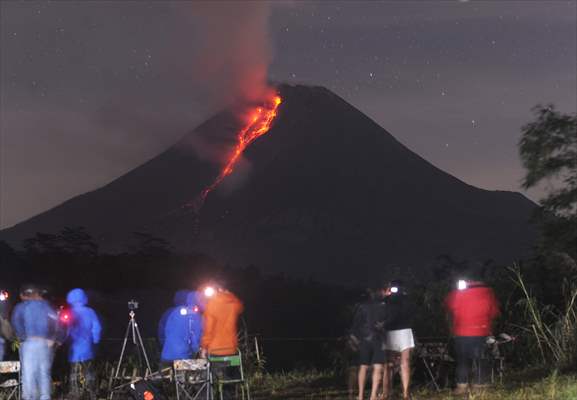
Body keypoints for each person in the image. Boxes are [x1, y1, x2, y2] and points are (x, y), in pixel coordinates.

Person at [445, 278, 500, 395]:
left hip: (462, 332)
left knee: (462, 360)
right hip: (481, 331)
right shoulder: (488, 292)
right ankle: (480, 386)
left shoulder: (458, 293)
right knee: (481, 359)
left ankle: (462, 386)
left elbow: (449, 306)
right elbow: (494, 312)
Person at [11, 284, 60, 400]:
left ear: (25, 295)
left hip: (29, 343)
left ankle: (29, 397)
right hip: (44, 344)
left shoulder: (21, 307)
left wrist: (22, 336)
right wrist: (52, 338)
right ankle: (45, 397)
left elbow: (15, 321)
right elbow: (56, 320)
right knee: (44, 372)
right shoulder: (45, 306)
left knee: (28, 372)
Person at [200, 283, 243, 400]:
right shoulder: (233, 302)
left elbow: (208, 329)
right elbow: (240, 307)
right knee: (228, 381)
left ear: (217, 289)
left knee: (207, 379)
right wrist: (230, 295)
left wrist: (204, 347)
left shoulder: (212, 303)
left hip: (216, 351)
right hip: (232, 350)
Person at [349, 289, 387, 400]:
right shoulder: (384, 307)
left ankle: (360, 395)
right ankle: (373, 395)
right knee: (378, 367)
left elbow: (355, 325)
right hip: (378, 339)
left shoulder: (362, 306)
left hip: (364, 339)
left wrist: (354, 339)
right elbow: (387, 324)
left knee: (363, 367)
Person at [65, 288, 102, 400]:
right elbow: (97, 327)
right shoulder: (90, 312)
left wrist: (64, 341)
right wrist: (95, 340)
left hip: (74, 349)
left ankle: (75, 394)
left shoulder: (70, 312)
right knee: (89, 372)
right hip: (87, 348)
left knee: (74, 373)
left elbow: (66, 330)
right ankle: (92, 393)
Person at [381, 280, 415, 400]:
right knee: (403, 363)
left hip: (394, 331)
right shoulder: (407, 299)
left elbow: (383, 314)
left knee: (390, 365)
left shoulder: (388, 300)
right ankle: (403, 394)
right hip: (403, 331)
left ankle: (388, 394)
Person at [158, 290, 203, 363]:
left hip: (166, 355)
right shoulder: (193, 315)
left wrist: (165, 346)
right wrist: (197, 351)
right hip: (182, 356)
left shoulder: (169, 312)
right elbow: (195, 337)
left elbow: (162, 331)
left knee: (168, 373)